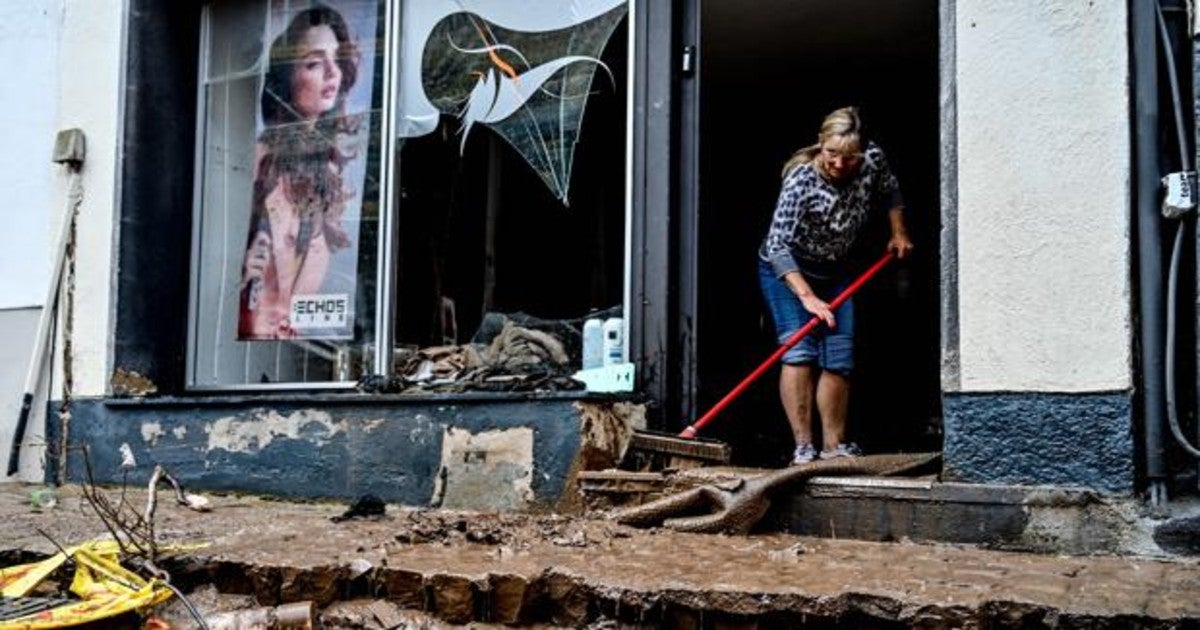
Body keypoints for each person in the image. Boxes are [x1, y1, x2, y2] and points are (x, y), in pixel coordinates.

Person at [757, 106, 913, 465]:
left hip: (835, 269)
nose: (840, 164)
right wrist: (808, 297)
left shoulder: (873, 159)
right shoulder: (800, 180)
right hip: (787, 270)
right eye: (832, 154)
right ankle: (803, 447)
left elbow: (891, 190)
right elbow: (778, 245)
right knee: (799, 350)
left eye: (849, 157)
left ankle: (833, 447)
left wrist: (898, 232)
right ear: (820, 144)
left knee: (838, 356)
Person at [239, 4, 361, 340]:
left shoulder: (326, 177)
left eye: (337, 60)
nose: (332, 73)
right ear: (286, 77)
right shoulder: (256, 164)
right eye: (313, 63)